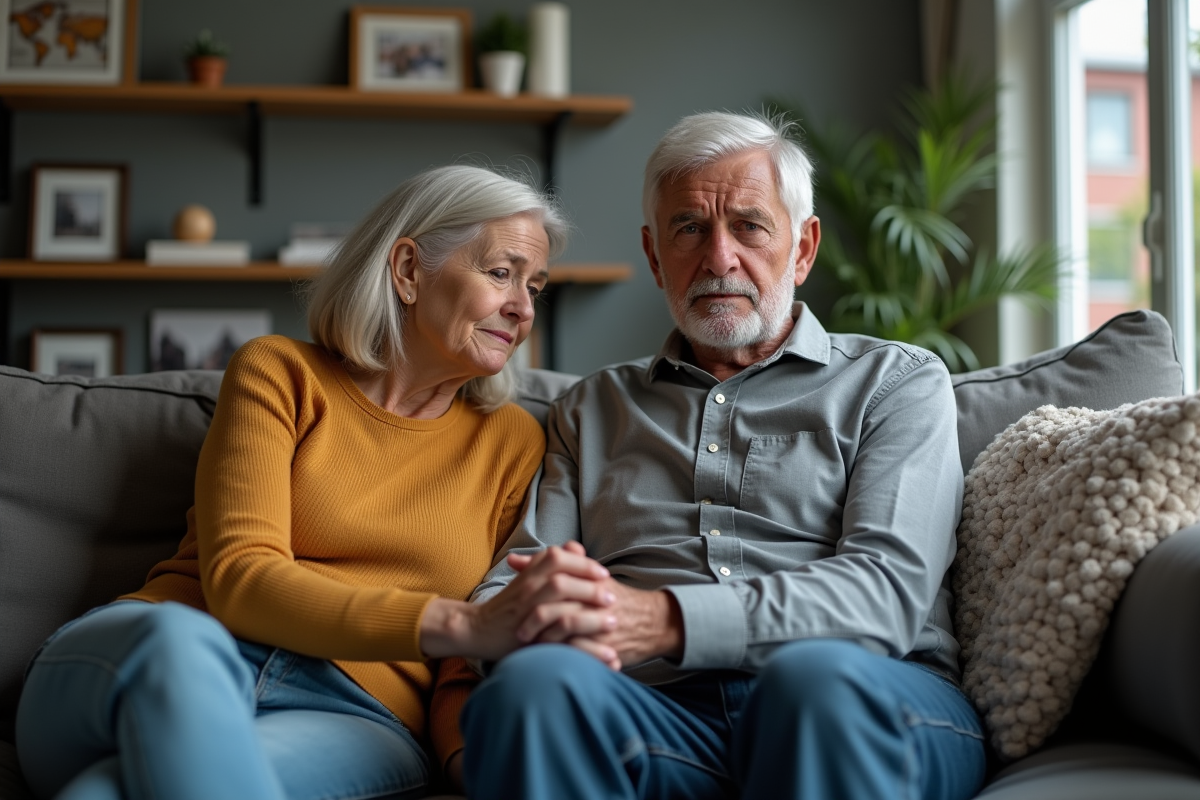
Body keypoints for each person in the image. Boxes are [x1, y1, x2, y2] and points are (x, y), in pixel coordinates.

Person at [15, 165, 619, 800]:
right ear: (409, 271)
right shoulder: (278, 373)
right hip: (152, 660)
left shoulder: (514, 442)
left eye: (535, 286)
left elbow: (460, 667)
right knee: (176, 642)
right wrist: (461, 622)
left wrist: (467, 758)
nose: (522, 307)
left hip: (348, 714)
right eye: (501, 273)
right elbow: (241, 580)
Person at [459, 113, 989, 800]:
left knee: (811, 685)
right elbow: (513, 583)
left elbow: (884, 595)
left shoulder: (896, 383)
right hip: (660, 716)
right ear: (655, 258)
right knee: (530, 690)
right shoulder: (592, 410)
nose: (718, 258)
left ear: (802, 248)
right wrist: (527, 618)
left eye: (749, 225)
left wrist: (664, 620)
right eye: (689, 229)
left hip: (872, 699)